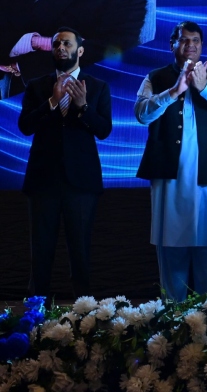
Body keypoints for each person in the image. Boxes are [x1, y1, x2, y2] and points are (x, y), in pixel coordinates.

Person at [135, 21, 207, 301]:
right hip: (171, 181)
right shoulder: (155, 78)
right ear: (172, 45)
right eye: (183, 40)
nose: (190, 45)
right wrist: (174, 91)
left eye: (196, 40)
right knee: (172, 253)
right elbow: (142, 114)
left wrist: (204, 87)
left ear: (202, 46)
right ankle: (173, 319)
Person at [18, 26, 113, 298]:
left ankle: (85, 313)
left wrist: (83, 107)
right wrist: (52, 101)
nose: (61, 47)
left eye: (67, 44)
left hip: (81, 183)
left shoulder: (97, 87)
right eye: (56, 44)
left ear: (79, 51)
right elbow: (25, 126)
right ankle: (37, 313)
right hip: (43, 181)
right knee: (41, 252)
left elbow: (104, 130)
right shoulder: (37, 85)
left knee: (80, 252)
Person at [1, 0, 155, 99]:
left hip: (65, 95)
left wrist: (28, 60)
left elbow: (113, 52)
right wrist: (33, 41)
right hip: (14, 84)